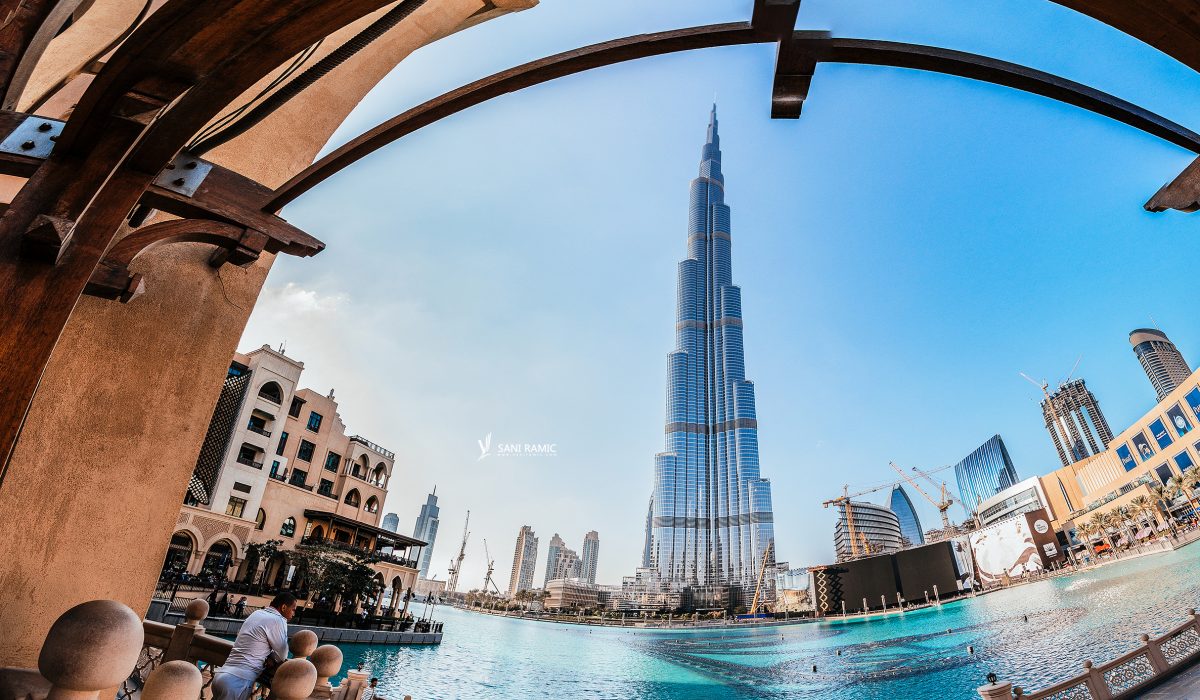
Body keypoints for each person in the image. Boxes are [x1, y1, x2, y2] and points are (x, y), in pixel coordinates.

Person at [211, 592, 297, 700]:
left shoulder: (257, 613)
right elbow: (282, 654)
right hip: (238, 681)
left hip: (222, 675)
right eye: (293, 609)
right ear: (284, 607)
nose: (293, 614)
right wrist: (271, 658)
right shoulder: (277, 620)